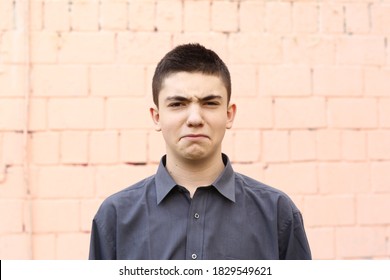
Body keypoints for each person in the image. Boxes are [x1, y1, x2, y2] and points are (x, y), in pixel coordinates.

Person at [88, 43, 312, 260]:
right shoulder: (116, 216)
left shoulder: (277, 214)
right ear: (157, 117)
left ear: (229, 114)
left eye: (210, 103)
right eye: (177, 104)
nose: (195, 118)